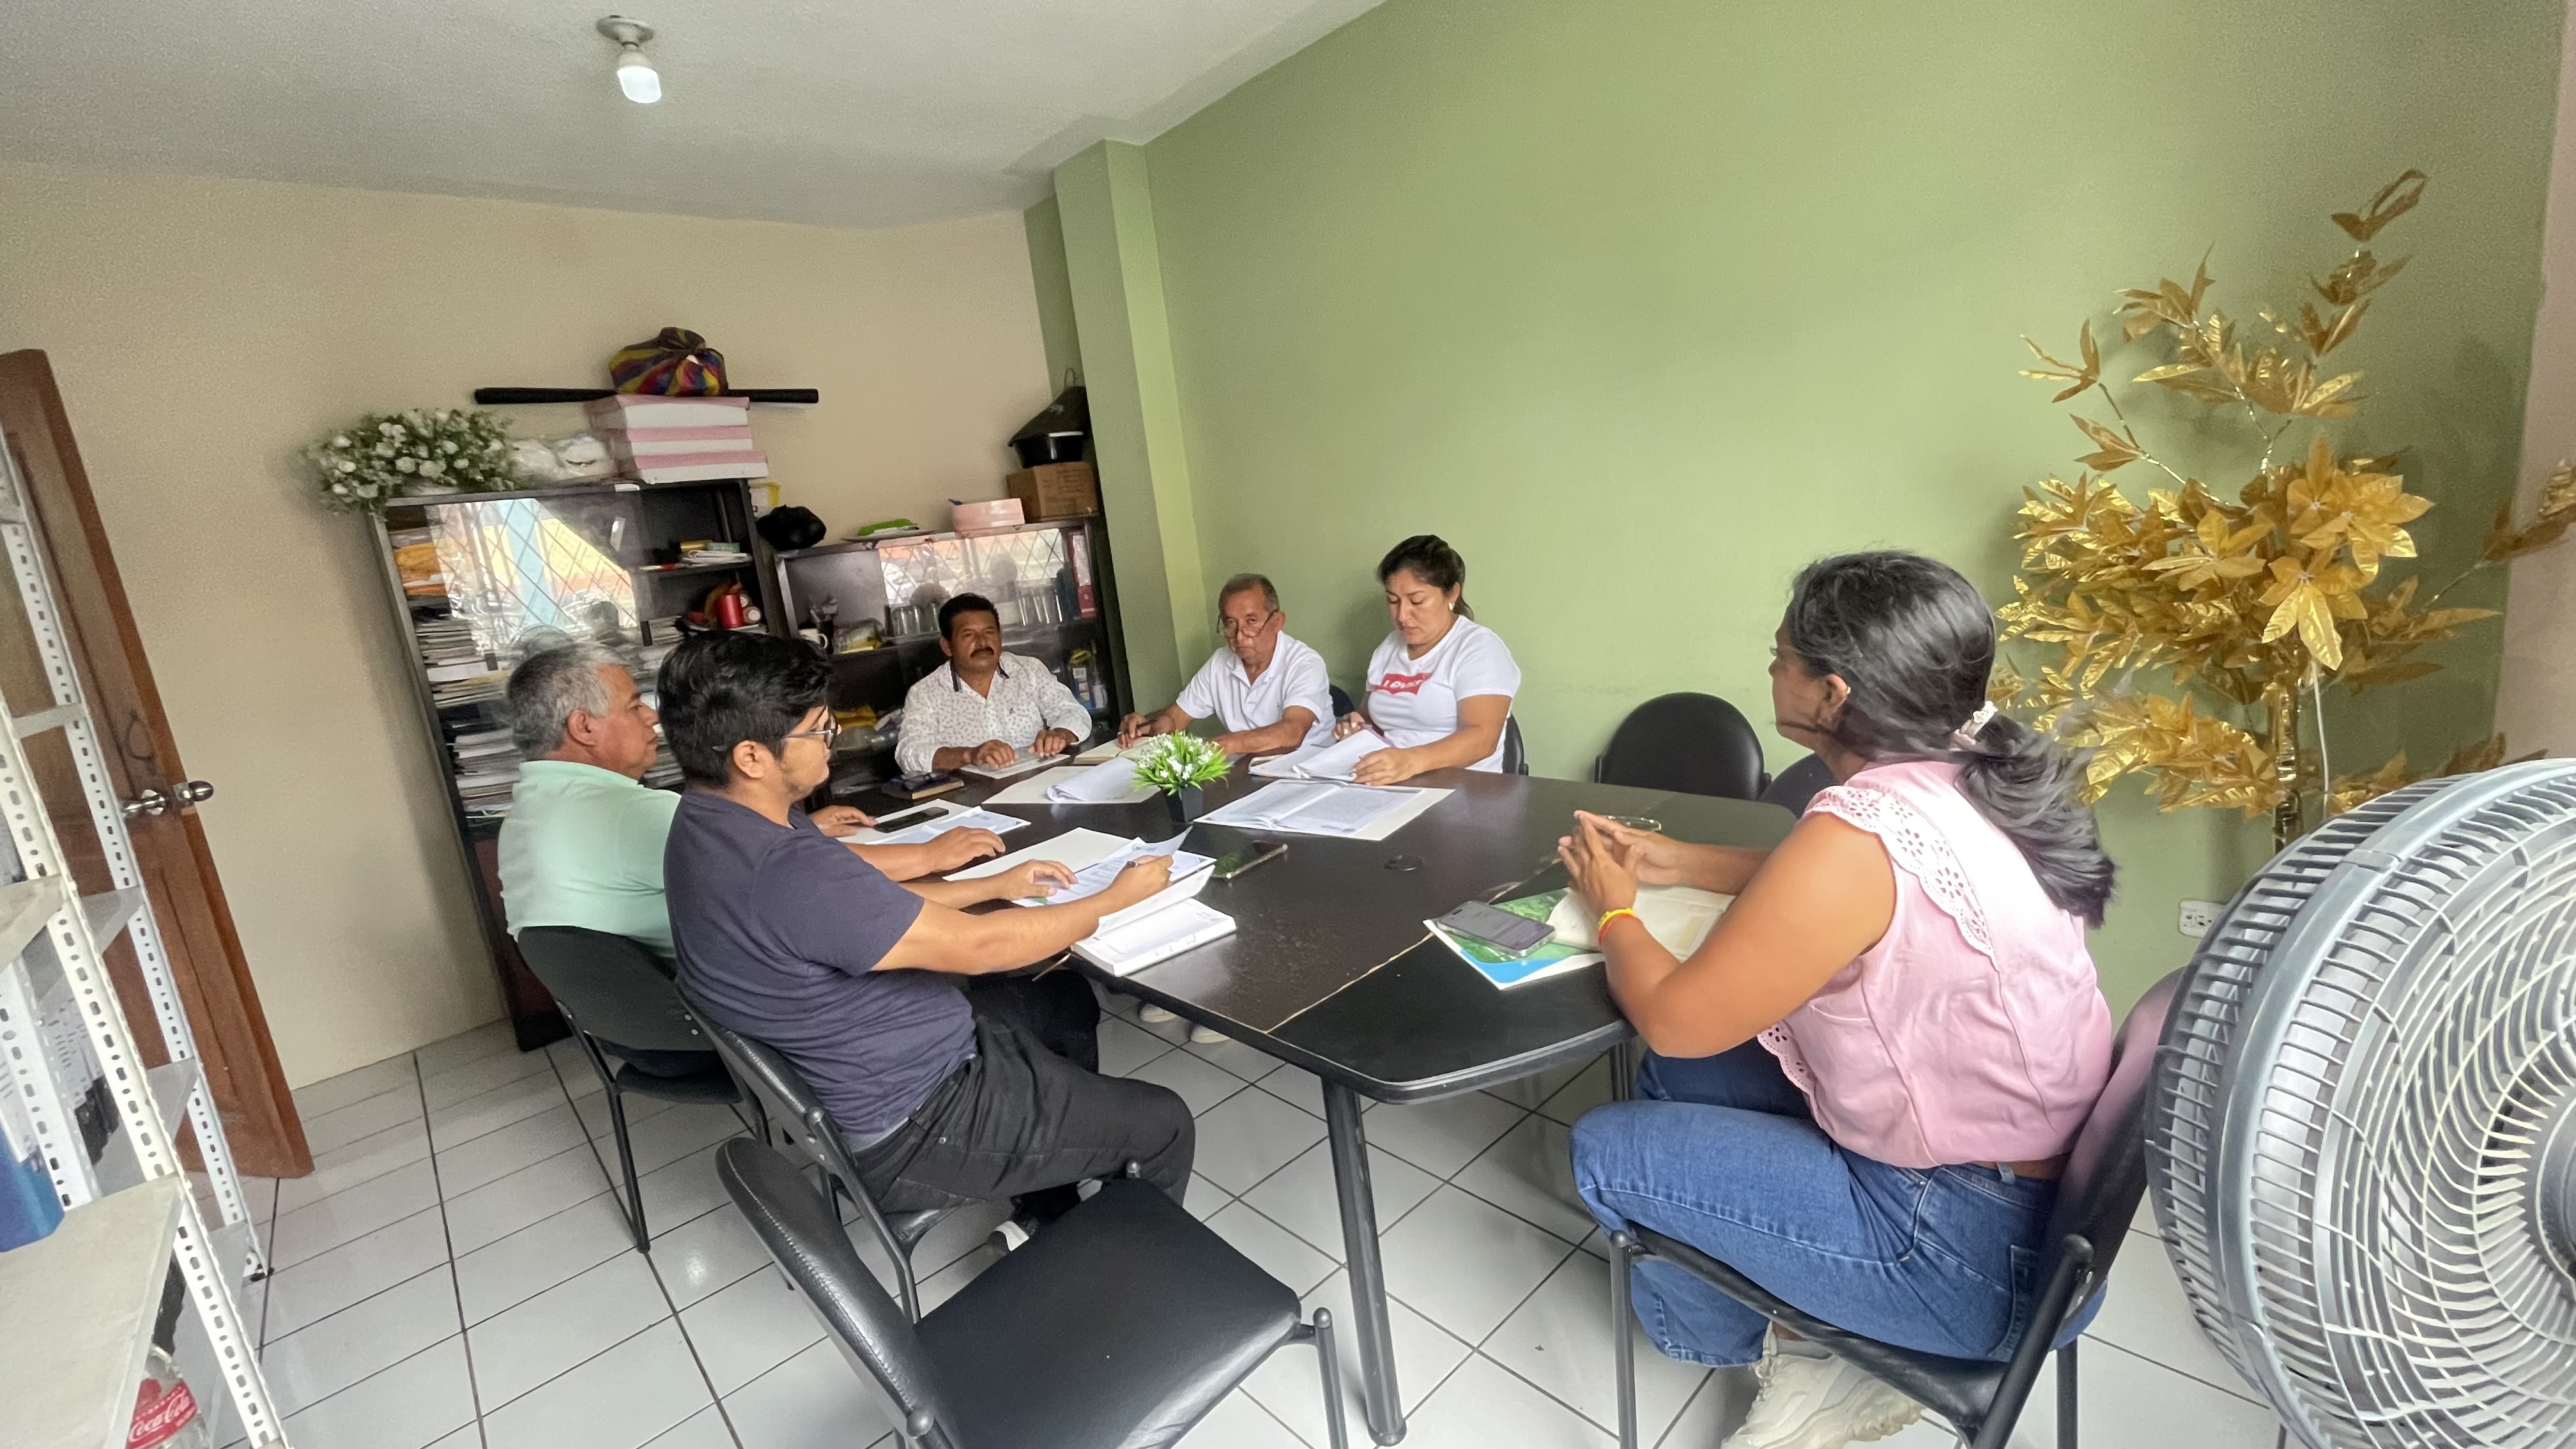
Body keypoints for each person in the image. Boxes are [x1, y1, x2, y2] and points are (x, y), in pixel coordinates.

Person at [1557, 551, 2116, 1449]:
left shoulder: (1857, 834)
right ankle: (1805, 1311)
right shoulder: (1971, 770)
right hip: (2029, 1211)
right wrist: (1678, 861)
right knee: (1688, 1076)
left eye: (1782, 656)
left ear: (1832, 695)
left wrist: (1613, 907)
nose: (1770, 667)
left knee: (1605, 1148)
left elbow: (1673, 1014)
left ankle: (1775, 1342)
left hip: (1964, 1254)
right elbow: (1840, 893)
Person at [660, 631, 1195, 1232]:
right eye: (819, 729)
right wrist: (1114, 899)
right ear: (751, 757)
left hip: (886, 1061)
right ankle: (1118, 1268)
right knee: (1165, 1123)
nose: (831, 740)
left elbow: (865, 907)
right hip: (919, 1118)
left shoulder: (710, 823)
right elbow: (983, 947)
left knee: (1064, 999)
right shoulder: (785, 869)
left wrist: (991, 884)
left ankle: (1049, 1205)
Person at [496, 641, 1006, 965]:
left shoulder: (531, 810)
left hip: (634, 1023)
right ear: (584, 727)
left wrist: (802, 827)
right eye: (634, 706)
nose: (652, 718)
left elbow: (750, 852)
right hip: (720, 1019)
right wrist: (930, 855)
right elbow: (794, 869)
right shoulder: (626, 815)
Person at [1331, 535, 1521, 783]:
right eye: (1393, 601)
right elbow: (1369, 716)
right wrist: (1356, 725)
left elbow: (1482, 739)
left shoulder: (1478, 648)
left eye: (1417, 601)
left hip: (1462, 789)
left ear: (1452, 594)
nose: (1402, 615)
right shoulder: (1388, 649)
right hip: (1391, 782)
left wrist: (1411, 761)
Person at [1118, 572, 1334, 756]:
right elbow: (1176, 717)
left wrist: (1226, 744)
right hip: (1246, 774)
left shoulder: (1305, 663)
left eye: (1251, 622)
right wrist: (1147, 725)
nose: (1239, 637)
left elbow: (1292, 733)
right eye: (1230, 623)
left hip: (1307, 773)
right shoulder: (1220, 663)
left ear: (1277, 622)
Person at [894, 593, 1096, 775]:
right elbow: (909, 753)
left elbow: (1074, 713)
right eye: (969, 635)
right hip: (974, 797)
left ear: (1000, 637)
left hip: (1037, 783)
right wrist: (969, 755)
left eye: (989, 632)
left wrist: (1060, 734)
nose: (982, 642)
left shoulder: (1029, 671)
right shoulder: (926, 693)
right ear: (948, 646)